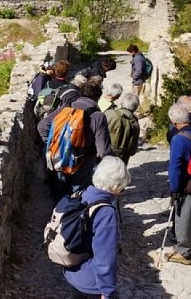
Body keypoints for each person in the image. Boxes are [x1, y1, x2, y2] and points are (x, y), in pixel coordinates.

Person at [64, 156, 130, 299]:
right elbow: (105, 257)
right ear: (116, 187)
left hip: (72, 273)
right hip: (92, 284)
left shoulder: (81, 195)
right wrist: (107, 292)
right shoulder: (106, 213)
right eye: (122, 188)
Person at [38, 81, 113, 200]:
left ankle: (59, 209)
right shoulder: (98, 116)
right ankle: (74, 209)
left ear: (80, 94)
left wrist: (55, 143)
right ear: (98, 98)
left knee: (60, 187)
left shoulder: (66, 107)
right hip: (84, 161)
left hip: (61, 156)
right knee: (78, 192)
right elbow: (103, 150)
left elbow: (42, 126)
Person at [164, 105, 191, 265]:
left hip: (187, 184)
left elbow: (175, 166)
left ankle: (184, 252)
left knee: (183, 217)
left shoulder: (179, 139)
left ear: (174, 123)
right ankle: (189, 246)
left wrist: (174, 188)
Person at [105, 92, 140, 166]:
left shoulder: (110, 114)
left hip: (105, 156)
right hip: (122, 160)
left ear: (121, 103)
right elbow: (132, 151)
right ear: (136, 107)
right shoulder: (135, 123)